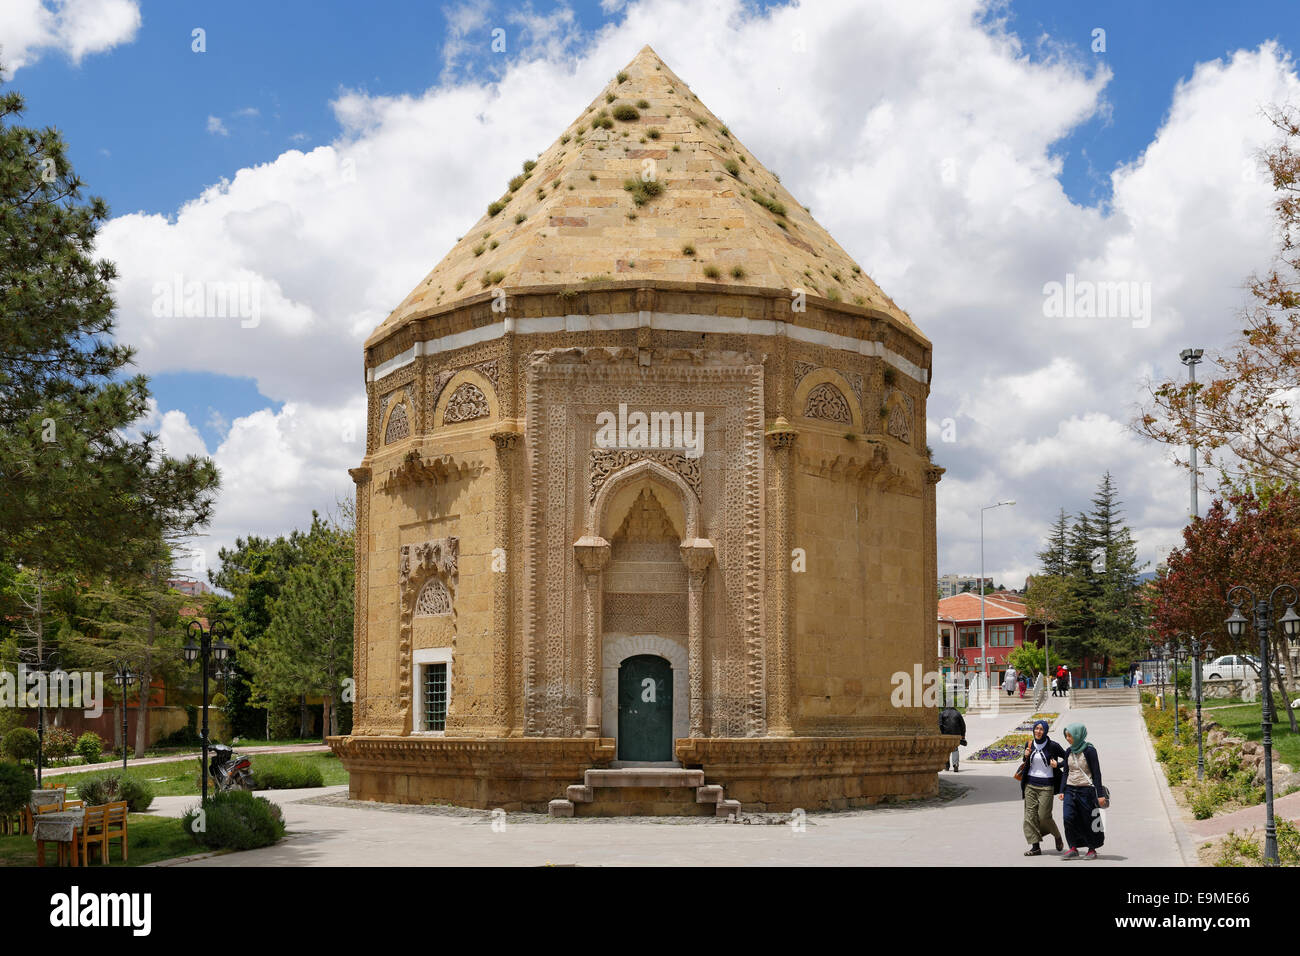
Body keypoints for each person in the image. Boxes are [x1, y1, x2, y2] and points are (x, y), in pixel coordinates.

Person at [1058, 723, 1106, 859]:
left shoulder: (1090, 751)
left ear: (1078, 735)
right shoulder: (1069, 751)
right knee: (1068, 818)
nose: (1067, 738)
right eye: (1066, 736)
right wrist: (1062, 790)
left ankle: (1092, 849)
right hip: (1070, 789)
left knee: (1088, 820)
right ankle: (1073, 847)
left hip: (1086, 790)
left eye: (1070, 736)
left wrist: (1100, 795)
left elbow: (1096, 774)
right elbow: (1065, 772)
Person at [1020, 718, 1066, 855]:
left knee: (1044, 816)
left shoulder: (1053, 746)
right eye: (1036, 728)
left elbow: (1067, 759)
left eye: (1041, 729)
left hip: (1047, 785)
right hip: (1030, 784)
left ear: (1045, 731)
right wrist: (1025, 755)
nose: (1038, 731)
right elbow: (1026, 762)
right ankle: (1035, 847)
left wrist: (1058, 765)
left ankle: (1056, 835)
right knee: (1030, 816)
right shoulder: (1029, 744)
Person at [939, 706, 967, 772]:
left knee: (945, 750)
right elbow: (963, 725)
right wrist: (963, 736)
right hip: (956, 734)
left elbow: (940, 725)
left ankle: (946, 765)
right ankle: (955, 764)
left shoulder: (942, 713)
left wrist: (941, 734)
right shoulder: (957, 713)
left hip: (945, 735)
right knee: (955, 749)